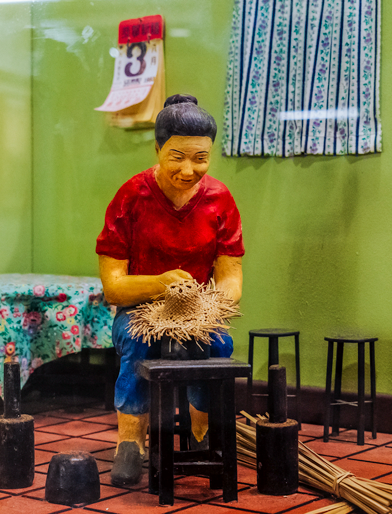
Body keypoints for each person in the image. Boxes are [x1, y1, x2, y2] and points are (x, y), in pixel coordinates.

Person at [96, 94, 244, 486]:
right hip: (140, 310)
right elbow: (113, 286)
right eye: (177, 156)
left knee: (217, 346)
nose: (188, 169)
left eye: (200, 158)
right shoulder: (131, 196)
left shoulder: (220, 200)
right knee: (137, 343)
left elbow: (231, 277)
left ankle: (201, 433)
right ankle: (130, 441)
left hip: (198, 312)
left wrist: (209, 308)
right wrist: (159, 285)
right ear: (158, 147)